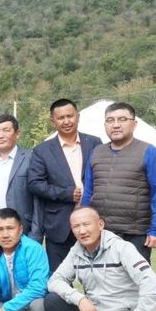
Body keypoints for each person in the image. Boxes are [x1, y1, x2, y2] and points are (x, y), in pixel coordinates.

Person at [81, 102, 156, 263]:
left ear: (134, 124)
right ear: (105, 125)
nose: (116, 125)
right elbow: (88, 192)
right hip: (102, 232)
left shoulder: (149, 152)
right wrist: (83, 224)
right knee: (100, 276)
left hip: (135, 234)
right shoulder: (96, 152)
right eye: (110, 120)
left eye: (122, 119)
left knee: (134, 277)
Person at [28, 99, 102, 272]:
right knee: (59, 276)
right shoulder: (42, 150)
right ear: (53, 121)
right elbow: (34, 183)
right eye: (61, 118)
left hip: (91, 217)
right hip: (58, 224)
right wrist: (66, 194)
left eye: (70, 116)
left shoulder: (94, 143)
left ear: (78, 116)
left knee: (97, 273)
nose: (66, 121)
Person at [0, 114, 40, 252]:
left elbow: (38, 199)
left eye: (6, 130)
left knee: (17, 264)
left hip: (16, 225)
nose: (0, 135)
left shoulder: (30, 158)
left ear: (17, 133)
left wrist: (35, 233)